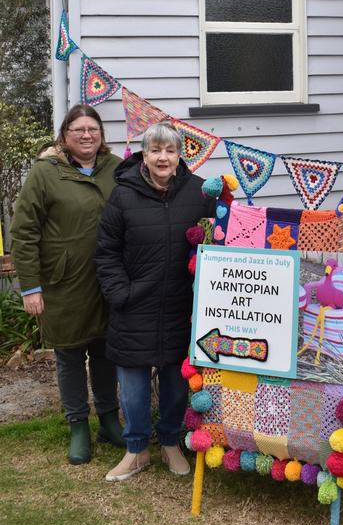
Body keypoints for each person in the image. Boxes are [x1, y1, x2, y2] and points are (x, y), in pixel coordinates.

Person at [95, 121, 213, 482]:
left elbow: (219, 238)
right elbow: (107, 252)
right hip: (134, 306)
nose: (163, 157)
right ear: (143, 155)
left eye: (170, 150)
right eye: (155, 150)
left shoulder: (199, 193)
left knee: (176, 383)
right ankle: (136, 450)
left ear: (180, 155)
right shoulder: (123, 194)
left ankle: (170, 443)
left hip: (181, 307)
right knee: (132, 386)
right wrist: (121, 294)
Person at [11, 104, 124, 465]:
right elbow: (24, 232)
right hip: (64, 283)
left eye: (93, 128)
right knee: (70, 354)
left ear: (102, 135)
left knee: (106, 352)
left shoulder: (117, 169)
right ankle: (78, 425)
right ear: (65, 135)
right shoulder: (46, 173)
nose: (87, 135)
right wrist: (30, 287)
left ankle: (109, 420)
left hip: (108, 280)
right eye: (78, 129)